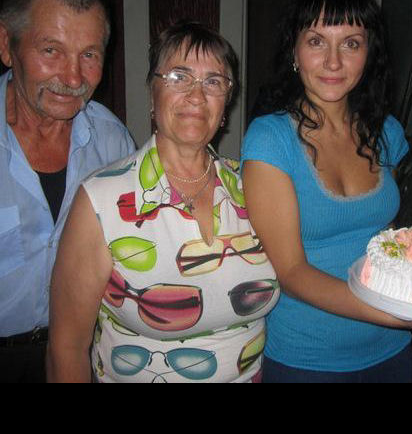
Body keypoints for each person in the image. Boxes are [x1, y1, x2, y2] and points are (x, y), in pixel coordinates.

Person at [240, 0, 412, 383]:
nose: (333, 62)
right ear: (294, 52)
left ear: (369, 53)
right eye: (316, 42)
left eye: (351, 43)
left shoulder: (387, 132)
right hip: (308, 360)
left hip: (392, 352)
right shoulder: (270, 140)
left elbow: (387, 240)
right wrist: (405, 315)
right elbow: (291, 272)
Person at [47, 20, 278, 383]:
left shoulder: (254, 186)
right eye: (179, 77)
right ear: (153, 94)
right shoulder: (101, 200)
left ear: (226, 103)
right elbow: (67, 347)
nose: (197, 95)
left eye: (213, 82)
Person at [0, 0, 136, 383]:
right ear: (4, 43)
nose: (74, 78)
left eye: (89, 55)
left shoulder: (113, 139)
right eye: (51, 50)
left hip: (81, 356)